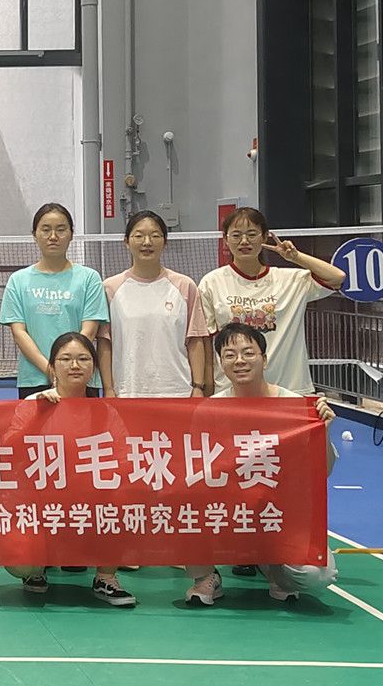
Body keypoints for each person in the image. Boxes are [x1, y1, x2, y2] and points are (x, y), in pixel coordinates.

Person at [183, 323, 340, 606]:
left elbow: (324, 471)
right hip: (226, 510)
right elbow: (194, 472)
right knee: (184, 504)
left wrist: (324, 432)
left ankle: (275, 570)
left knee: (317, 575)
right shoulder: (209, 411)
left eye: (248, 353)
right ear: (220, 364)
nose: (239, 361)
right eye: (230, 355)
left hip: (278, 513)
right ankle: (205, 576)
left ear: (264, 359)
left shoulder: (295, 406)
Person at [7, 333, 137, 608]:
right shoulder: (33, 403)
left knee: (127, 500)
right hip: (40, 504)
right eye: (65, 359)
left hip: (90, 504)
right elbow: (9, 452)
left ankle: (105, 577)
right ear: (52, 367)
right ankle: (35, 569)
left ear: (94, 367)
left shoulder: (105, 412)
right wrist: (37, 416)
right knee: (22, 562)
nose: (75, 365)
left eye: (83, 359)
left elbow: (125, 460)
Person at [199, 206, 346, 395]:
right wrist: (206, 388)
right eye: (236, 235)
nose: (244, 241)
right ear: (226, 239)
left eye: (252, 234)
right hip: (233, 392)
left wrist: (295, 257)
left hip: (290, 390)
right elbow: (206, 343)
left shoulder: (291, 280)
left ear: (264, 236)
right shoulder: (211, 282)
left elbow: (337, 277)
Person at [0, 203, 109, 397]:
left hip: (80, 377)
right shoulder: (18, 280)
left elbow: (89, 331)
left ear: (71, 234)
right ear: (34, 235)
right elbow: (19, 333)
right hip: (34, 379)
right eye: (45, 229)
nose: (53, 236)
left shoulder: (89, 278)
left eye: (61, 229)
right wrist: (51, 370)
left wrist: (68, 367)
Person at [98, 210, 209, 399]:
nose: (147, 242)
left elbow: (195, 339)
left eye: (155, 236)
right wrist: (108, 389)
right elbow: (104, 342)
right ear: (126, 242)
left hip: (178, 391)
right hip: (127, 392)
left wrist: (198, 386)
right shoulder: (109, 288)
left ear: (165, 242)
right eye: (139, 236)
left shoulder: (185, 286)